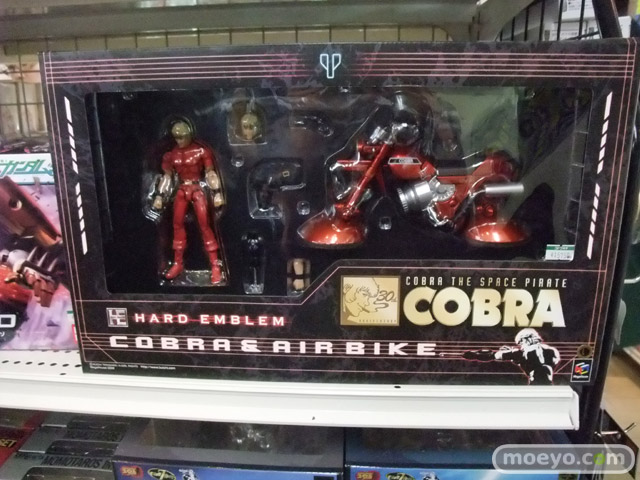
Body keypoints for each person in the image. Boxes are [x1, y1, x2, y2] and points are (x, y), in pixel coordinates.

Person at [152, 120, 224, 284]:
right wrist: (159, 196)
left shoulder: (201, 151)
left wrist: (217, 193)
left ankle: (215, 265)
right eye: (176, 137)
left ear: (189, 134)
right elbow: (167, 178)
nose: (179, 140)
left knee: (205, 226)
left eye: (182, 137)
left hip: (197, 189)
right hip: (182, 190)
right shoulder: (171, 155)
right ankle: (177, 263)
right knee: (177, 225)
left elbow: (210, 174)